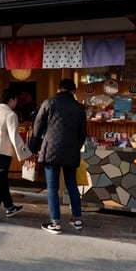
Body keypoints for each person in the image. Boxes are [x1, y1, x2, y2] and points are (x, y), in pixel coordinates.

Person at [32, 78, 86, 234]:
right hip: (71, 152)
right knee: (72, 186)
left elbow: (38, 126)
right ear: (73, 91)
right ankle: (77, 220)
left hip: (51, 152)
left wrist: (34, 147)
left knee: (52, 188)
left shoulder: (49, 103)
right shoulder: (79, 108)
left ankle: (55, 223)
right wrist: (76, 146)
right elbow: (83, 134)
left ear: (58, 89)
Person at [0, 89, 32, 224]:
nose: (16, 103)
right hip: (1, 153)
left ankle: (9, 207)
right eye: (15, 100)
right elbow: (15, 137)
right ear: (11, 100)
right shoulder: (10, 115)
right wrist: (26, 153)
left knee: (0, 181)